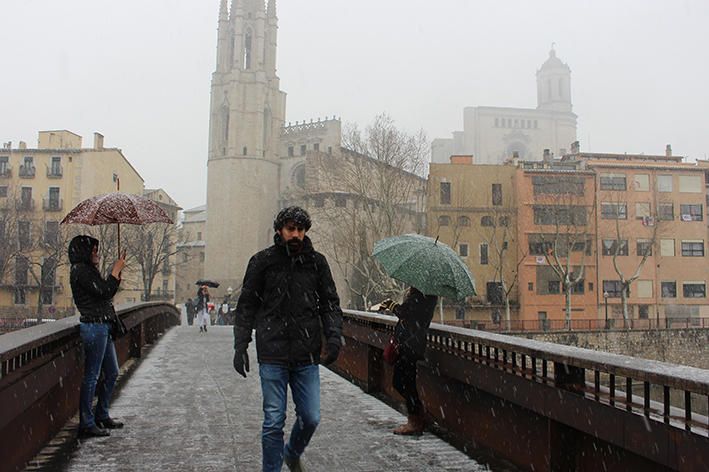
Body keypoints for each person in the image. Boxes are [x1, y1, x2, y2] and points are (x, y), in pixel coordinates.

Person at [233, 206, 342, 472]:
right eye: (291, 229)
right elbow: (247, 305)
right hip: (272, 351)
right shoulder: (262, 262)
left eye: (300, 230)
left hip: (306, 353)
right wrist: (241, 344)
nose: (296, 234)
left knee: (311, 416)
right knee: (273, 420)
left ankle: (292, 453)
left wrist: (334, 336)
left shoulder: (317, 263)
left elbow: (330, 303)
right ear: (279, 231)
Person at [68, 235, 127, 438]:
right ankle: (87, 422)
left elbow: (106, 292)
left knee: (111, 372)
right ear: (85, 252)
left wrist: (116, 276)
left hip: (102, 325)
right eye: (94, 251)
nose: (97, 254)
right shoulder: (80, 271)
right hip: (94, 326)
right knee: (92, 376)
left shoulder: (87, 271)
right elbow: (103, 291)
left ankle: (101, 414)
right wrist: (115, 271)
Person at [379, 286, 438, 435]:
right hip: (413, 344)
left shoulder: (421, 295)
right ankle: (419, 416)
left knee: (403, 382)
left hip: (410, 345)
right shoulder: (427, 295)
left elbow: (406, 313)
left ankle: (415, 420)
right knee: (406, 382)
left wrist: (391, 305)